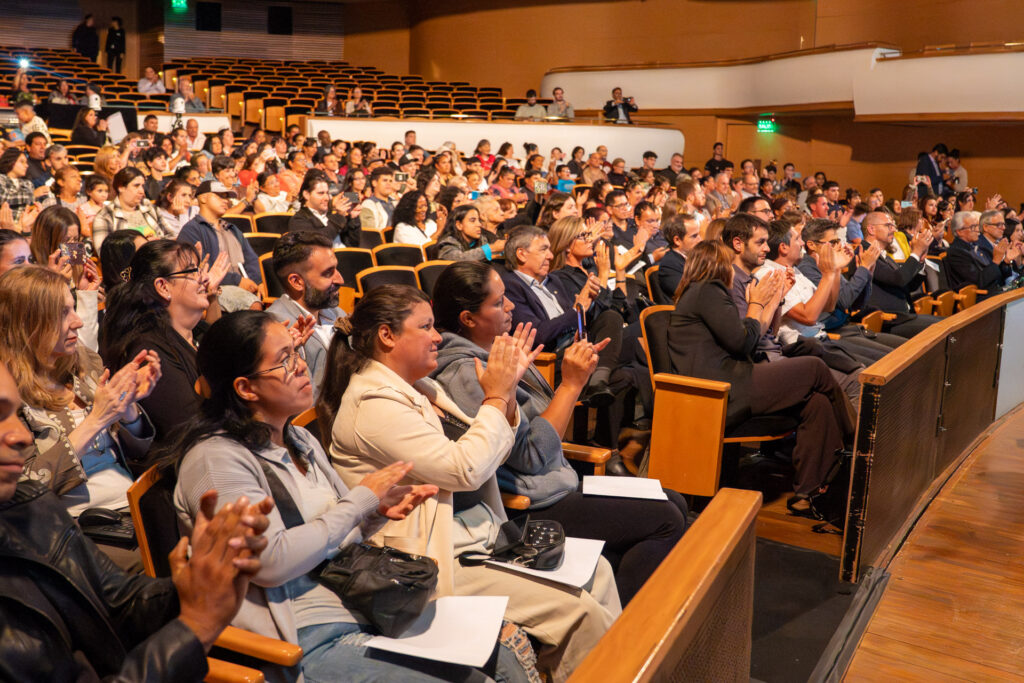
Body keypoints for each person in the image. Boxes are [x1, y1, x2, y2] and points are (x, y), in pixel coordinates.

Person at [321, 285, 621, 681]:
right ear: (387, 336)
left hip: (476, 534)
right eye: (425, 327)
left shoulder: (422, 385)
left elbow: (495, 449)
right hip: (432, 558)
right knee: (580, 614)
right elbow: (465, 469)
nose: (437, 336)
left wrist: (507, 393)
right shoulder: (373, 403)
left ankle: (612, 665)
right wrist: (495, 399)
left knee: (598, 571)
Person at [0, 354, 274, 682]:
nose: (23, 436)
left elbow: (119, 601)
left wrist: (193, 585)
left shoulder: (30, 503)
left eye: (16, 414)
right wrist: (195, 628)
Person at [431, 261, 687, 603]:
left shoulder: (498, 351)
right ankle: (628, 634)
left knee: (675, 501)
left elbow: (542, 428)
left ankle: (623, 599)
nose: (509, 307)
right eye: (498, 302)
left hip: (555, 482)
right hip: (528, 506)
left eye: (507, 297)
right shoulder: (467, 372)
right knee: (665, 519)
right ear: (468, 318)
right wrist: (571, 384)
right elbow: (532, 457)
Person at [668, 240, 853, 513]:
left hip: (733, 379)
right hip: (720, 390)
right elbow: (744, 343)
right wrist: (756, 301)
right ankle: (857, 439)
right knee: (813, 367)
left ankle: (810, 491)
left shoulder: (703, 292)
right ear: (720, 265)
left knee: (816, 401)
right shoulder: (709, 290)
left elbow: (751, 337)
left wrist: (775, 299)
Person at [0, 265, 160, 569]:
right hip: (72, 531)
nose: (77, 321)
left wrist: (127, 406)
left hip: (132, 508)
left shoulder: (84, 362)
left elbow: (139, 452)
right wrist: (96, 420)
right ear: (27, 323)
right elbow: (24, 487)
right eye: (62, 313)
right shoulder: (8, 395)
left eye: (74, 308)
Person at [100, 240, 228, 453]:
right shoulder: (149, 351)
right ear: (163, 287)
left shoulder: (198, 333)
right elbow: (190, 430)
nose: (205, 278)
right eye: (193, 272)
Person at [178, 180, 261, 293]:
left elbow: (251, 259)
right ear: (203, 198)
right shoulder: (191, 230)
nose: (226, 201)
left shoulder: (232, 229)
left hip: (247, 287)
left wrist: (258, 282)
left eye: (227, 197)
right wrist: (237, 281)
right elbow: (198, 269)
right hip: (215, 289)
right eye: (220, 196)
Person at [91, 167, 168, 249]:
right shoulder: (105, 216)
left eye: (142, 186)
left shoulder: (149, 208)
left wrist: (158, 242)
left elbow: (171, 235)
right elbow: (104, 253)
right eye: (136, 186)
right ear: (121, 187)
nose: (142, 191)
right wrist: (143, 245)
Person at [287, 171, 360, 247]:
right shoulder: (298, 220)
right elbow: (320, 242)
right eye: (321, 193)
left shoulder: (332, 216)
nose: (326, 198)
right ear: (306, 194)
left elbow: (354, 244)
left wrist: (353, 219)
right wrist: (339, 216)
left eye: (327, 193)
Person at [657, 213, 701, 302]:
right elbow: (688, 296)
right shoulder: (669, 265)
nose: (700, 239)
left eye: (698, 234)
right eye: (694, 236)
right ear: (677, 240)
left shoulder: (696, 258)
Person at [436, 204, 502, 262]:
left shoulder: (482, 239)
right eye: (472, 221)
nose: (479, 224)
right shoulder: (447, 243)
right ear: (459, 225)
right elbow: (459, 259)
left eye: (479, 220)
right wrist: (491, 248)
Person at [0, 147, 37, 224]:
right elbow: (4, 199)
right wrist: (29, 195)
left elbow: (31, 202)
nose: (26, 166)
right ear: (11, 162)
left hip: (24, 224)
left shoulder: (28, 183)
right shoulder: (1, 179)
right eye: (22, 162)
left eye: (26, 163)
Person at [77, 174, 109, 239]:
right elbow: (83, 230)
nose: (104, 195)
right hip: (89, 239)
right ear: (89, 191)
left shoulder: (107, 208)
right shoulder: (83, 209)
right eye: (100, 191)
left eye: (106, 191)